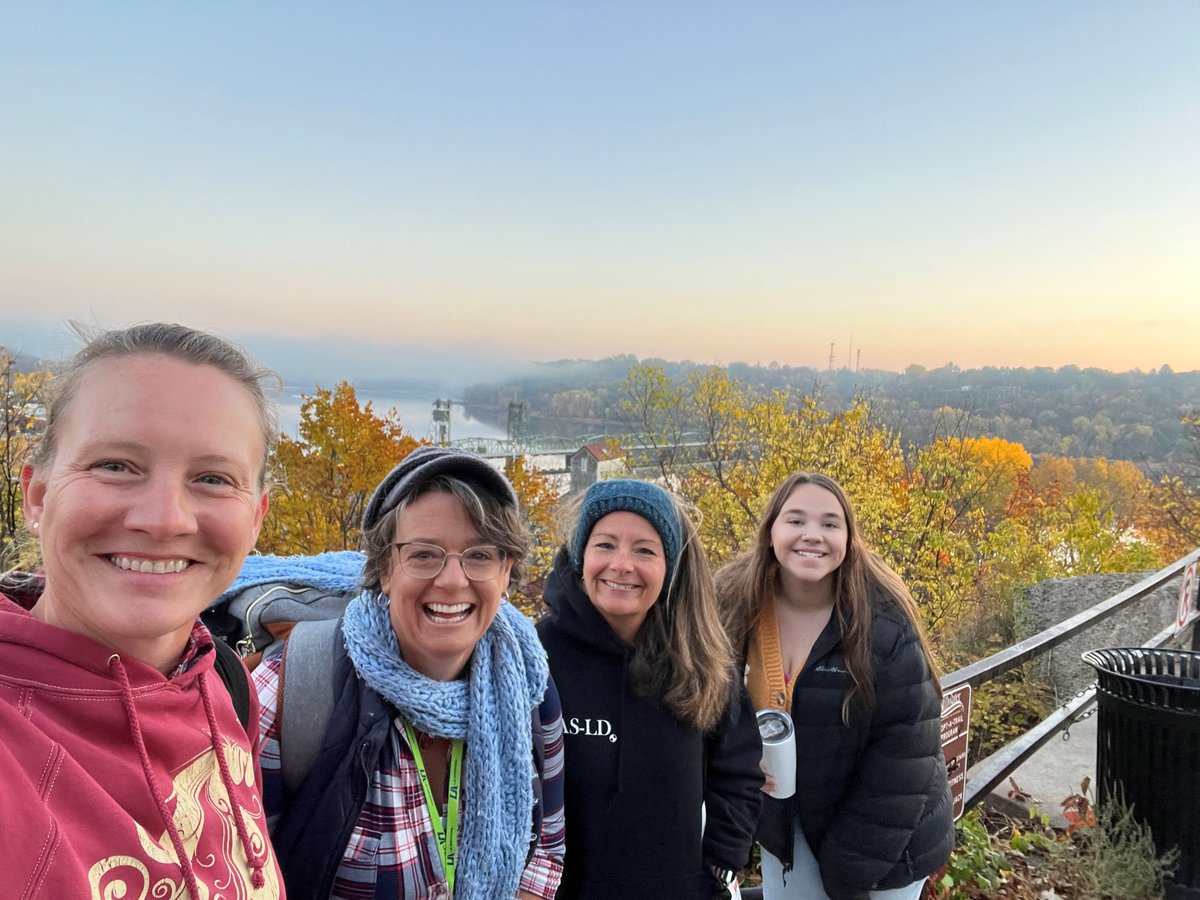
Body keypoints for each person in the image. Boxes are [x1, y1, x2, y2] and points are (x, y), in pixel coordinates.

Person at [0, 323, 283, 897]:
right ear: (37, 495)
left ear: (255, 519)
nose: (164, 519)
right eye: (115, 465)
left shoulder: (226, 685)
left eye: (212, 478)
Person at [253, 446, 565, 900]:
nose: (453, 580)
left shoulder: (529, 686)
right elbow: (248, 877)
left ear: (506, 571)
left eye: (479, 555)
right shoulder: (293, 688)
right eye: (423, 554)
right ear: (385, 568)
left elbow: (546, 851)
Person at [717, 472, 954, 900]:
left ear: (848, 540)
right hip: (786, 826)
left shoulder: (881, 625)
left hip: (885, 843)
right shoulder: (734, 609)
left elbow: (904, 761)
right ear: (771, 531)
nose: (812, 535)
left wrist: (845, 873)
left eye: (830, 523)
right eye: (795, 520)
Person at [537, 478, 763, 899]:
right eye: (605, 544)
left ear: (669, 566)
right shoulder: (538, 657)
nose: (621, 564)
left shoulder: (702, 662)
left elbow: (739, 768)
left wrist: (720, 864)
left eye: (644, 550)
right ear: (580, 555)